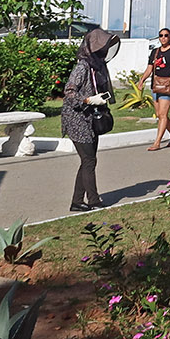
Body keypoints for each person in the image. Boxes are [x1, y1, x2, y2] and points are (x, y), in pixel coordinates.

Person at [62, 25, 119, 212]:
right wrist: (87, 100)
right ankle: (93, 201)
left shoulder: (97, 67)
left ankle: (77, 201)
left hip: (90, 119)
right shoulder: (83, 66)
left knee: (88, 160)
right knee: (89, 160)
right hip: (76, 118)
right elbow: (69, 92)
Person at [139, 27, 170, 150]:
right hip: (156, 85)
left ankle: (157, 142)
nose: (163, 38)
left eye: (166, 35)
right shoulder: (155, 52)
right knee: (160, 115)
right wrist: (142, 80)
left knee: (163, 114)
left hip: (169, 85)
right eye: (161, 35)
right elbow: (149, 68)